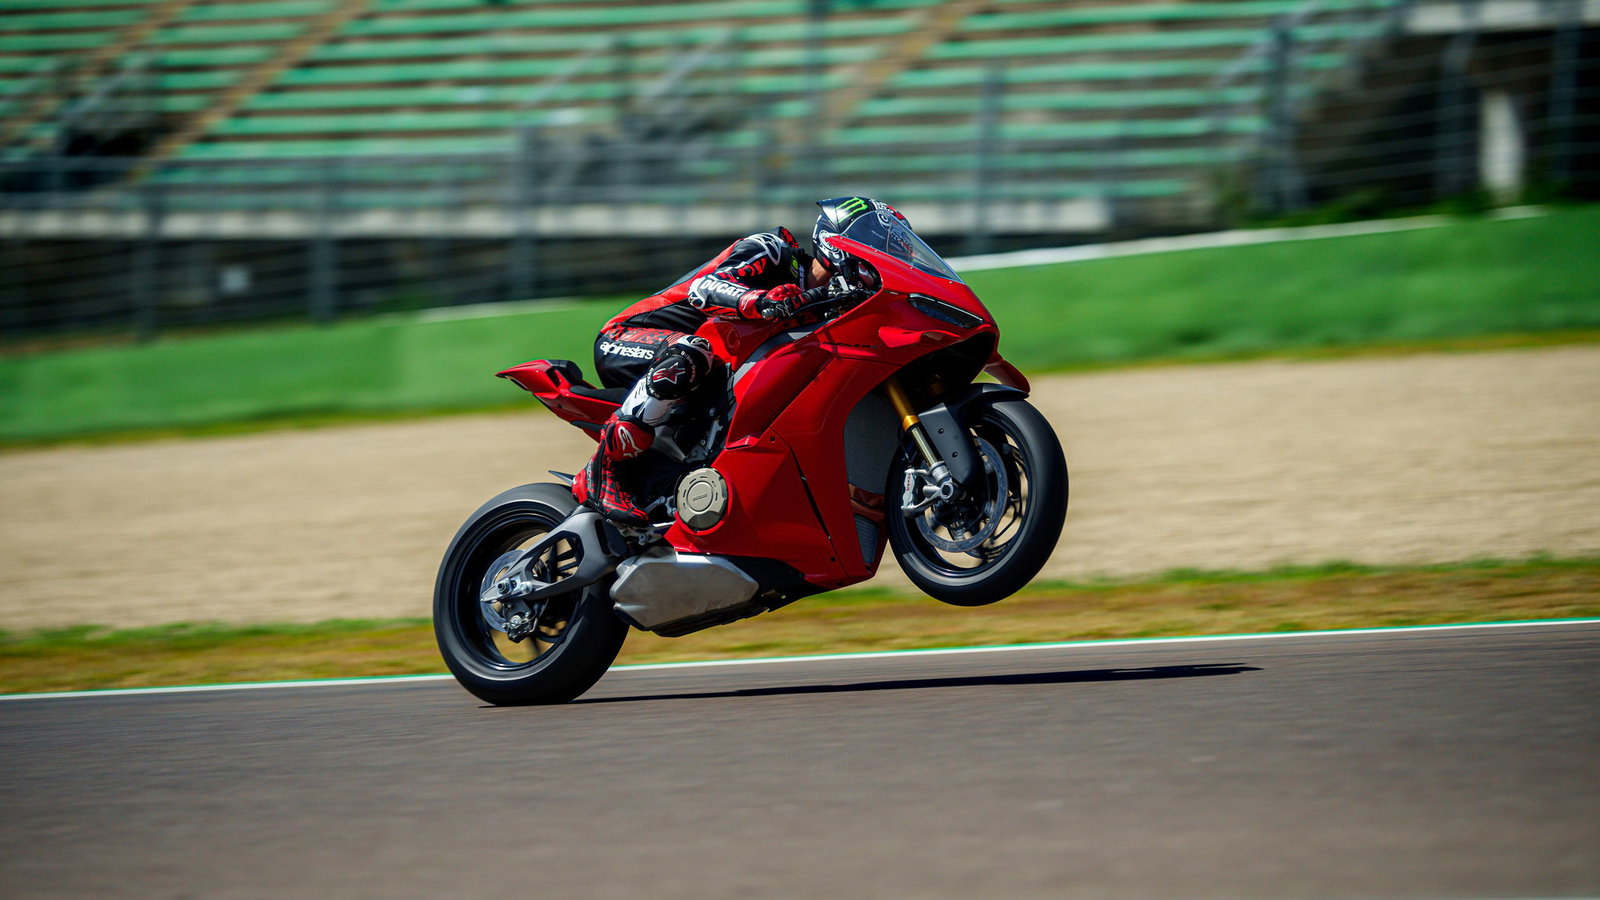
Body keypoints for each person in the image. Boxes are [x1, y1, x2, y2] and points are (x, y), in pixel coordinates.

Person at [574, 196, 906, 525]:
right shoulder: (772, 251)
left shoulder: (834, 307)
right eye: (876, 245)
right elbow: (704, 289)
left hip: (709, 377)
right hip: (629, 337)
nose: (883, 255)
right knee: (693, 351)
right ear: (837, 242)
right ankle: (604, 470)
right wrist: (759, 301)